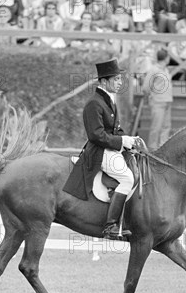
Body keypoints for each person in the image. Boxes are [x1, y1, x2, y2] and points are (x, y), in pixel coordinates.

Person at [62, 58, 139, 240]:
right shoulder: (94, 103)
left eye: (120, 79)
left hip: (110, 149)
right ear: (104, 81)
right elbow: (96, 135)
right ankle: (111, 225)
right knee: (127, 179)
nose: (120, 83)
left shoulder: (109, 101)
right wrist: (121, 142)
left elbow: (115, 129)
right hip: (99, 152)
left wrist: (130, 140)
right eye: (116, 80)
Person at [142, 49, 173, 150]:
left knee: (166, 127)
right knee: (156, 127)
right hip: (158, 102)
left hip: (167, 101)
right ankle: (153, 148)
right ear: (166, 58)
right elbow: (146, 87)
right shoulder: (154, 69)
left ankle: (163, 147)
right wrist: (151, 96)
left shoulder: (166, 69)